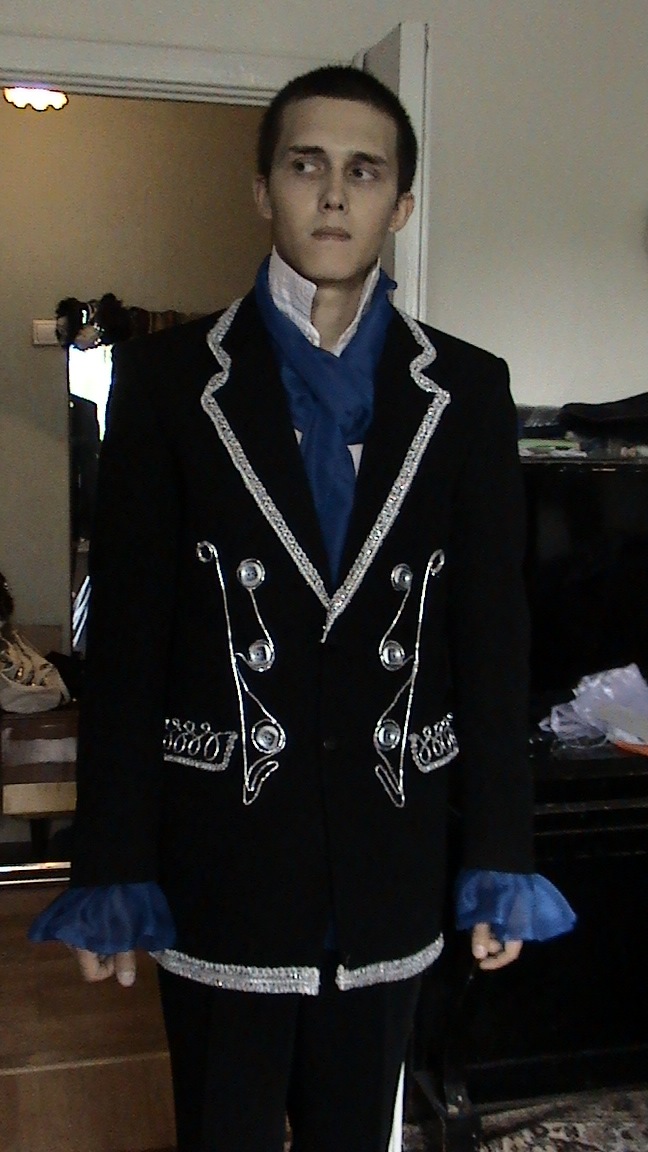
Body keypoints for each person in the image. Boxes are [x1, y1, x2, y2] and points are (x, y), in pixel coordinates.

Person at [30, 65, 575, 1152]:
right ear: (262, 189)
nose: (333, 193)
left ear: (400, 205)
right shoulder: (166, 383)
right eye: (306, 165)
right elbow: (128, 649)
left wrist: (499, 853)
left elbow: (491, 641)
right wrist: (111, 865)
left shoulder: (467, 392)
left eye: (364, 172)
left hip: (389, 858)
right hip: (223, 860)